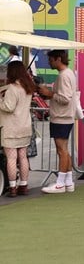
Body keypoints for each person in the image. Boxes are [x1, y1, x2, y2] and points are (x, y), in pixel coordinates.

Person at [38, 49, 80, 194]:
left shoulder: (64, 76)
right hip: (64, 117)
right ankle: (68, 181)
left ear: (58, 59)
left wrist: (50, 94)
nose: (49, 62)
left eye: (50, 60)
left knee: (61, 150)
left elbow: (65, 98)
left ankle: (61, 183)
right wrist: (50, 93)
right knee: (63, 150)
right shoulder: (67, 74)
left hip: (62, 117)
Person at [0, 58, 35, 197]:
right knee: (23, 157)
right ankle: (24, 185)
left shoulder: (12, 89)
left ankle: (12, 187)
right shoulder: (28, 88)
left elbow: (8, 107)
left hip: (11, 128)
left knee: (11, 158)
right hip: (25, 126)